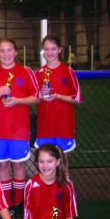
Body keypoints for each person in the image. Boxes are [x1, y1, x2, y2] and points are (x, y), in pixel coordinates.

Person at [0, 39, 40, 219]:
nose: (6, 54)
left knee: (18, 165)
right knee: (2, 166)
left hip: (19, 129)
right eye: (2, 51)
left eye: (9, 50)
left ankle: (18, 204)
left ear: (16, 52)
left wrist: (19, 101)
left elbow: (37, 97)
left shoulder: (25, 72)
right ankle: (6, 205)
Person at [35, 35, 83, 177]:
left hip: (63, 124)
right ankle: (46, 193)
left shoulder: (68, 71)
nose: (50, 52)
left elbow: (77, 98)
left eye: (53, 49)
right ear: (43, 51)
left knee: (62, 159)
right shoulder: (38, 73)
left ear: (60, 50)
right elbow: (34, 99)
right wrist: (40, 94)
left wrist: (57, 96)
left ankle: (65, 188)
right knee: (45, 160)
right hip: (45, 124)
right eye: (46, 49)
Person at [23, 144, 81, 219]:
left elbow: (70, 216)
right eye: (41, 161)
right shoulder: (31, 185)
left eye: (49, 161)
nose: (45, 166)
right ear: (37, 163)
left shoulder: (67, 185)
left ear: (58, 162)